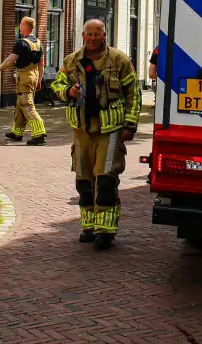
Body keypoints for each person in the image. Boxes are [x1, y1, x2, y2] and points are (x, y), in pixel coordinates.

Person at [51, 18, 141, 250]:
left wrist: (130, 125)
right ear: (83, 36)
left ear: (104, 35)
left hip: (109, 129)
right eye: (88, 35)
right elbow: (55, 86)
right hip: (81, 129)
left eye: (97, 34)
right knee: (84, 180)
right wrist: (67, 91)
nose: (92, 39)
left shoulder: (119, 60)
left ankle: (106, 230)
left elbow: (134, 93)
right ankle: (88, 227)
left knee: (106, 179)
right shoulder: (71, 61)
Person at [0, 16, 46, 145]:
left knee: (27, 105)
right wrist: (39, 80)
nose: (19, 26)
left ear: (24, 26)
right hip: (34, 76)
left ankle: (39, 134)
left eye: (21, 24)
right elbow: (41, 64)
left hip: (24, 77)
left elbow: (11, 59)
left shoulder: (21, 43)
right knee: (20, 105)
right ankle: (17, 132)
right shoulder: (39, 43)